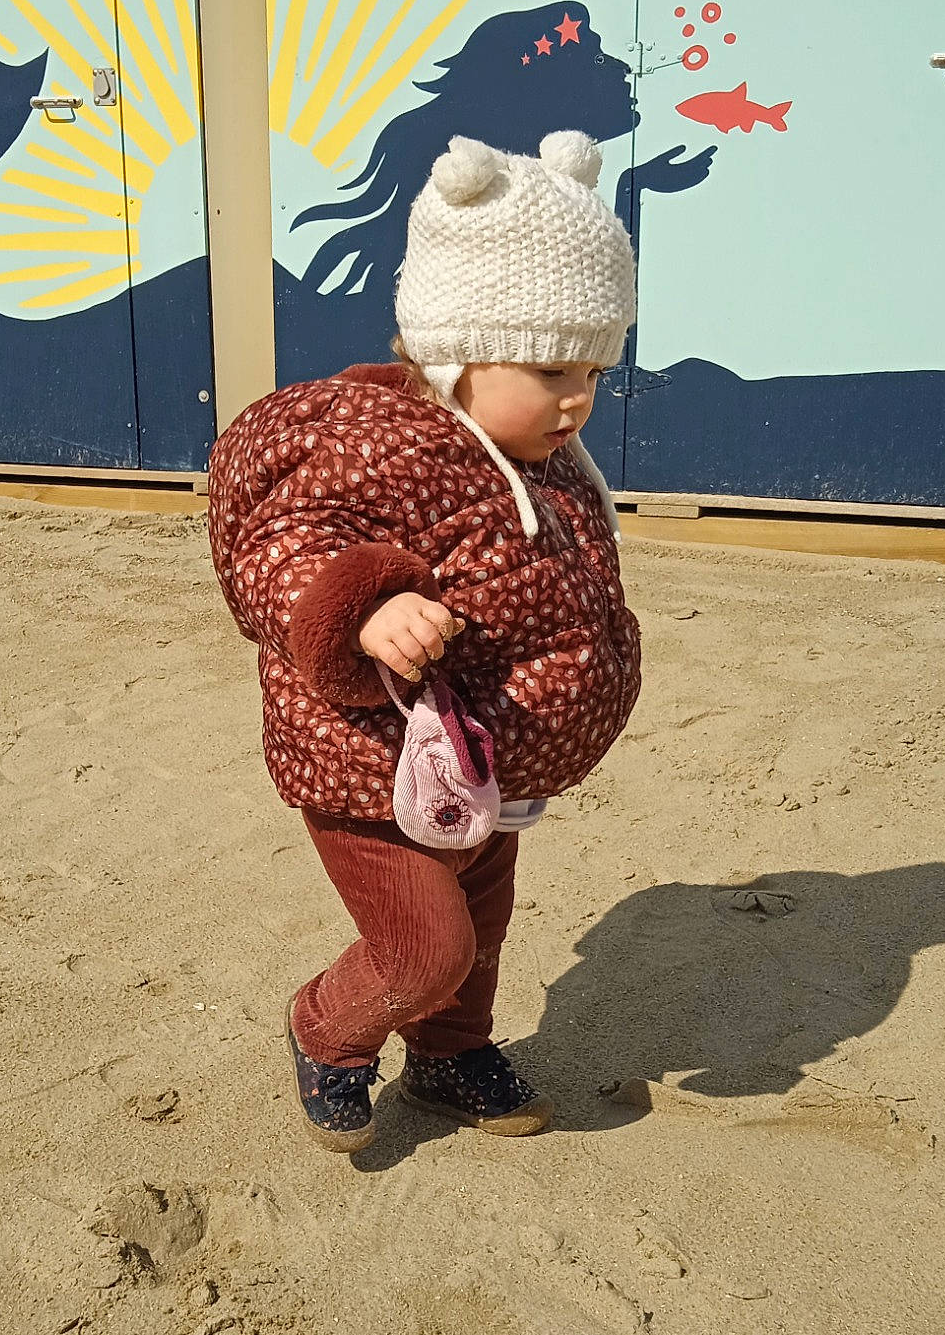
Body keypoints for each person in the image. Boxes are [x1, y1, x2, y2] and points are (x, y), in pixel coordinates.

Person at [208, 130, 642, 1154]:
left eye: (594, 366)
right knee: (424, 943)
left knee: (478, 929)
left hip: (478, 761)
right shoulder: (375, 441)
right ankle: (328, 1029)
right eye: (548, 366)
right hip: (368, 760)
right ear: (456, 347)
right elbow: (281, 542)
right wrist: (361, 607)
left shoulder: (540, 453)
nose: (577, 396)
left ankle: (449, 1054)